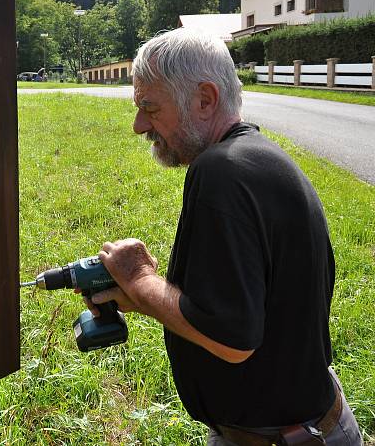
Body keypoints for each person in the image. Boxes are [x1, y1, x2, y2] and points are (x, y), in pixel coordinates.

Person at [85, 28, 363, 445]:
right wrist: (141, 298)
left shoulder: (220, 172)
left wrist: (141, 278)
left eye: (150, 107)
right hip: (303, 427)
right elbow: (240, 311)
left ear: (205, 99)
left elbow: (232, 338)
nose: (139, 125)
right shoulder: (257, 159)